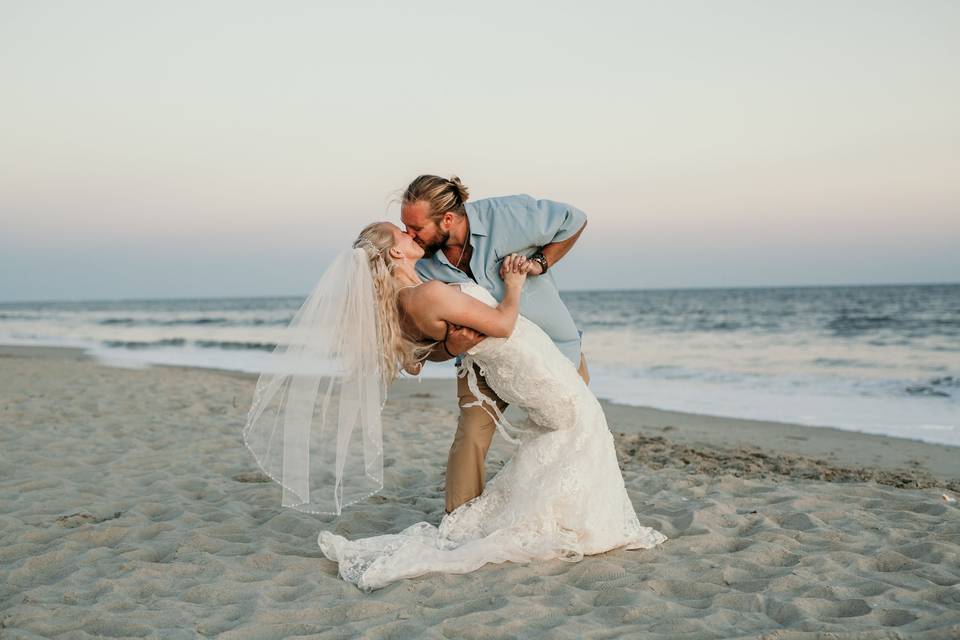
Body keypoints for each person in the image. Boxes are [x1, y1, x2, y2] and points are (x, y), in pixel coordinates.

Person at [310, 222, 667, 591]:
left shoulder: (401, 302)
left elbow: (416, 361)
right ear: (396, 252)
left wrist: (451, 346)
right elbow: (503, 324)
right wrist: (513, 285)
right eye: (400, 233)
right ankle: (573, 521)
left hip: (514, 365)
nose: (408, 233)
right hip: (526, 359)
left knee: (566, 429)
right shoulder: (428, 293)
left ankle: (566, 514)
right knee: (580, 421)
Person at [399, 175, 592, 514]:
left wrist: (539, 263)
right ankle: (458, 520)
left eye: (415, 228)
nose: (409, 235)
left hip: (553, 346)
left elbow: (574, 220)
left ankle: (562, 513)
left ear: (447, 219)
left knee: (575, 429)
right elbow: (425, 350)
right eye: (405, 227)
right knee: (472, 434)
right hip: (483, 362)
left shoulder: (507, 215)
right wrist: (453, 347)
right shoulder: (421, 267)